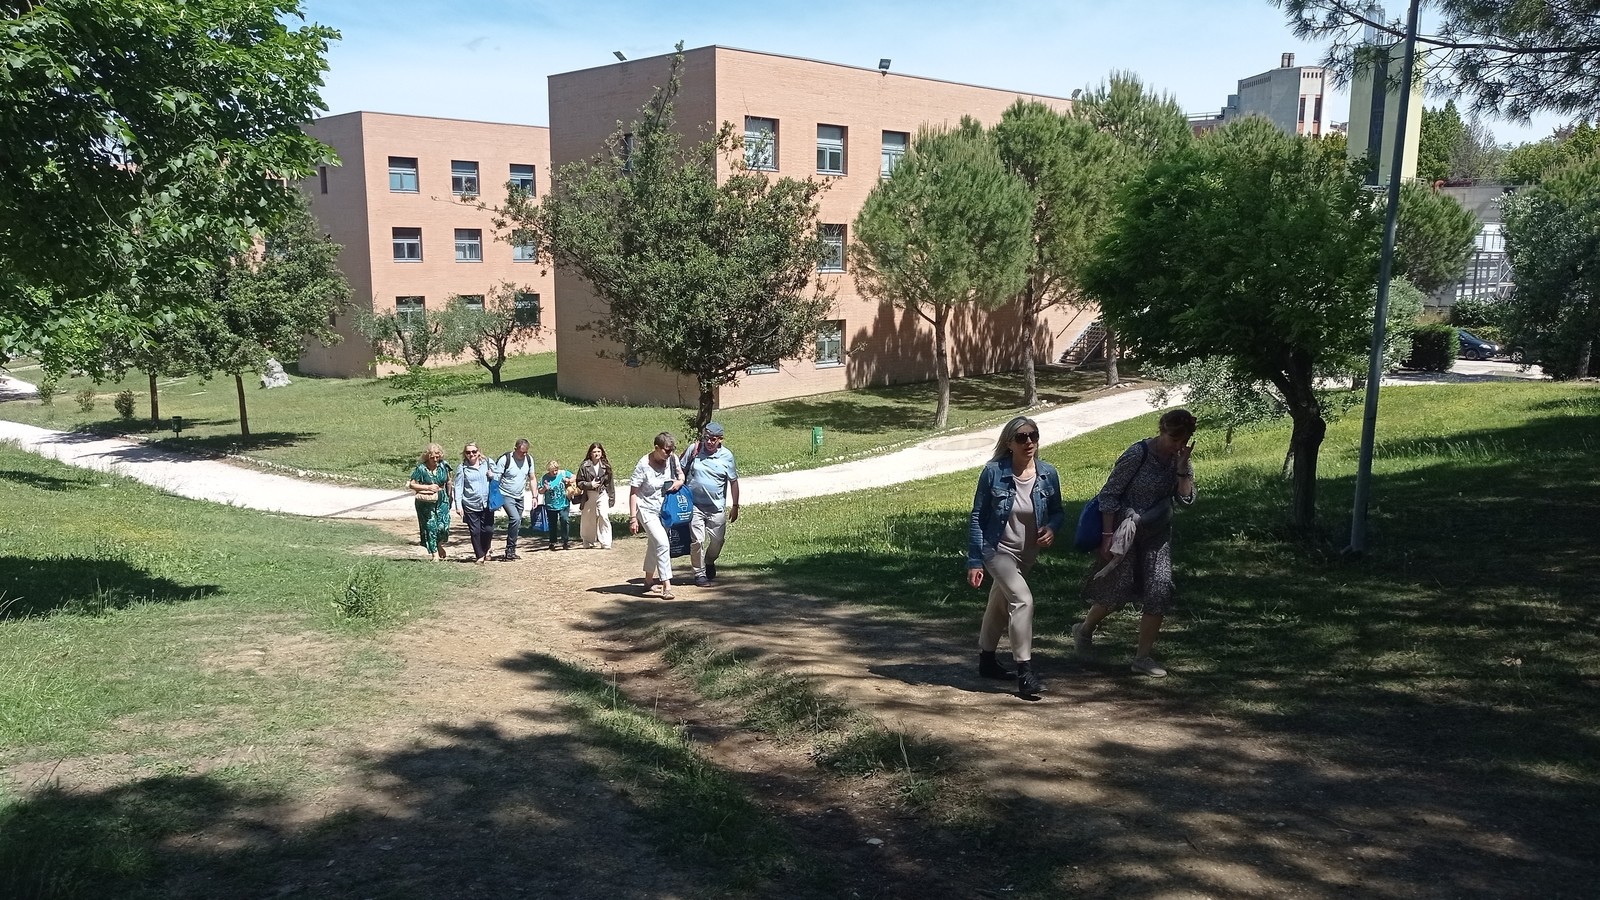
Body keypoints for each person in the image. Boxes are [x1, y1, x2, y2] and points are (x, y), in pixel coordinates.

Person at [1074, 408, 1198, 678]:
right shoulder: (1137, 454)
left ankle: (1142, 658)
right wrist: (1107, 536)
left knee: (1159, 588)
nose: (1178, 445)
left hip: (1156, 534)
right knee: (1115, 591)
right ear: (1162, 431)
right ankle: (1084, 630)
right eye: (1173, 439)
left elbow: (1187, 501)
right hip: (1124, 533)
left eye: (1184, 440)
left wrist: (1181, 470)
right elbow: (1109, 495)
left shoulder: (1181, 459)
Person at [967, 415, 1065, 696]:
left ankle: (987, 661)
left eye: (1033, 435)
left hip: (1027, 553)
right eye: (1021, 437)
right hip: (997, 549)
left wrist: (1052, 528)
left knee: (1000, 602)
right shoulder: (993, 472)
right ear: (1009, 443)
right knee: (1022, 600)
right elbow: (977, 517)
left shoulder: (1047, 473)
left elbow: (1057, 511)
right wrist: (975, 560)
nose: (1029, 442)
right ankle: (1025, 672)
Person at [680, 422, 739, 586]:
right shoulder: (695, 449)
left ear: (720, 439)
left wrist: (735, 506)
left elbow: (733, 482)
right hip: (695, 505)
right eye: (707, 438)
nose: (709, 442)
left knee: (717, 541)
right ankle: (699, 574)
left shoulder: (727, 456)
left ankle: (709, 561)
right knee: (697, 540)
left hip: (716, 508)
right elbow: (680, 469)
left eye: (713, 439)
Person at [628, 432, 685, 599]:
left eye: (672, 450)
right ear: (657, 448)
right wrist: (633, 518)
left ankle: (648, 581)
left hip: (665, 509)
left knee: (654, 544)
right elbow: (633, 492)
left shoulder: (672, 459)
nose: (670, 453)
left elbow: (681, 475)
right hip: (645, 509)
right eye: (667, 450)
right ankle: (667, 586)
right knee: (662, 543)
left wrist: (679, 482)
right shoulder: (643, 465)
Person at [452, 442, 497, 564]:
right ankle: (480, 555)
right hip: (470, 504)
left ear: (478, 452)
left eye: (474, 451)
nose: (471, 454)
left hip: (487, 503)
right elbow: (458, 487)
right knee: (475, 531)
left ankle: (486, 549)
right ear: (465, 454)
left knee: (488, 530)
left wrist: (492, 475)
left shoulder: (487, 463)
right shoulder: (462, 468)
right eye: (468, 452)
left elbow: (499, 476)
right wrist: (458, 505)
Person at [407, 443, 454, 560]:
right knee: (430, 526)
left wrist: (450, 495)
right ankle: (434, 554)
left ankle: (438, 544)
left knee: (443, 526)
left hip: (442, 498)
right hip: (426, 501)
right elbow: (412, 484)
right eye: (432, 457)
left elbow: (449, 481)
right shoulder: (421, 468)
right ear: (427, 457)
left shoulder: (444, 465)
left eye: (437, 457)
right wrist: (428, 487)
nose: (435, 460)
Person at [495, 438, 536, 560]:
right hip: (505, 494)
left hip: (519, 495)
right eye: (521, 452)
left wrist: (534, 496)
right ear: (515, 449)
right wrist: (495, 498)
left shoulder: (529, 459)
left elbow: (532, 478)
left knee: (517, 522)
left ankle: (512, 550)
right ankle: (510, 549)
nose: (523, 455)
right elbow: (496, 479)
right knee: (515, 518)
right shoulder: (505, 459)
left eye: (526, 452)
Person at [577, 442, 616, 550]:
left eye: (599, 451)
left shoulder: (606, 466)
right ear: (590, 453)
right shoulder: (584, 466)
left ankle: (606, 542)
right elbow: (579, 482)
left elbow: (610, 484)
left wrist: (611, 497)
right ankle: (588, 540)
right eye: (594, 452)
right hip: (589, 494)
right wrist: (590, 484)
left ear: (602, 453)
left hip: (602, 494)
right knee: (588, 518)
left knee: (604, 516)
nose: (597, 454)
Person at [539, 460, 576, 550]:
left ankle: (565, 541)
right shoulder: (545, 478)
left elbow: (574, 477)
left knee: (565, 520)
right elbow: (540, 491)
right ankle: (552, 542)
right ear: (549, 470)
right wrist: (545, 488)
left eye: (556, 470)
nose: (555, 472)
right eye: (552, 471)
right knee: (552, 523)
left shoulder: (563, 473)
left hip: (564, 503)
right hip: (551, 505)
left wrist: (568, 480)